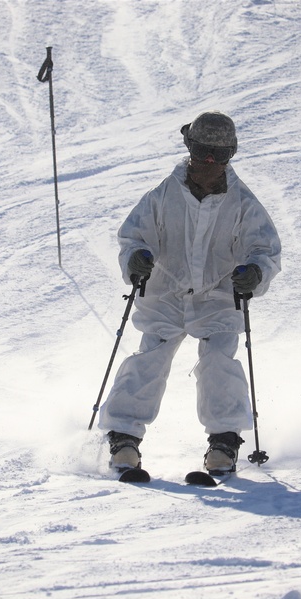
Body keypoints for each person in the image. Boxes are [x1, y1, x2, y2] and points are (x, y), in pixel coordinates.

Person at [98, 111, 282, 475]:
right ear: (190, 149)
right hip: (166, 290)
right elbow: (133, 235)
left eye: (219, 156)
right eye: (202, 153)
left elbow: (265, 249)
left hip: (218, 295)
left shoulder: (243, 203)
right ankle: (123, 438)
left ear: (230, 156)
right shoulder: (163, 196)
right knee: (152, 355)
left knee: (218, 360)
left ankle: (224, 443)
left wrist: (255, 272)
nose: (209, 163)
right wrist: (136, 258)